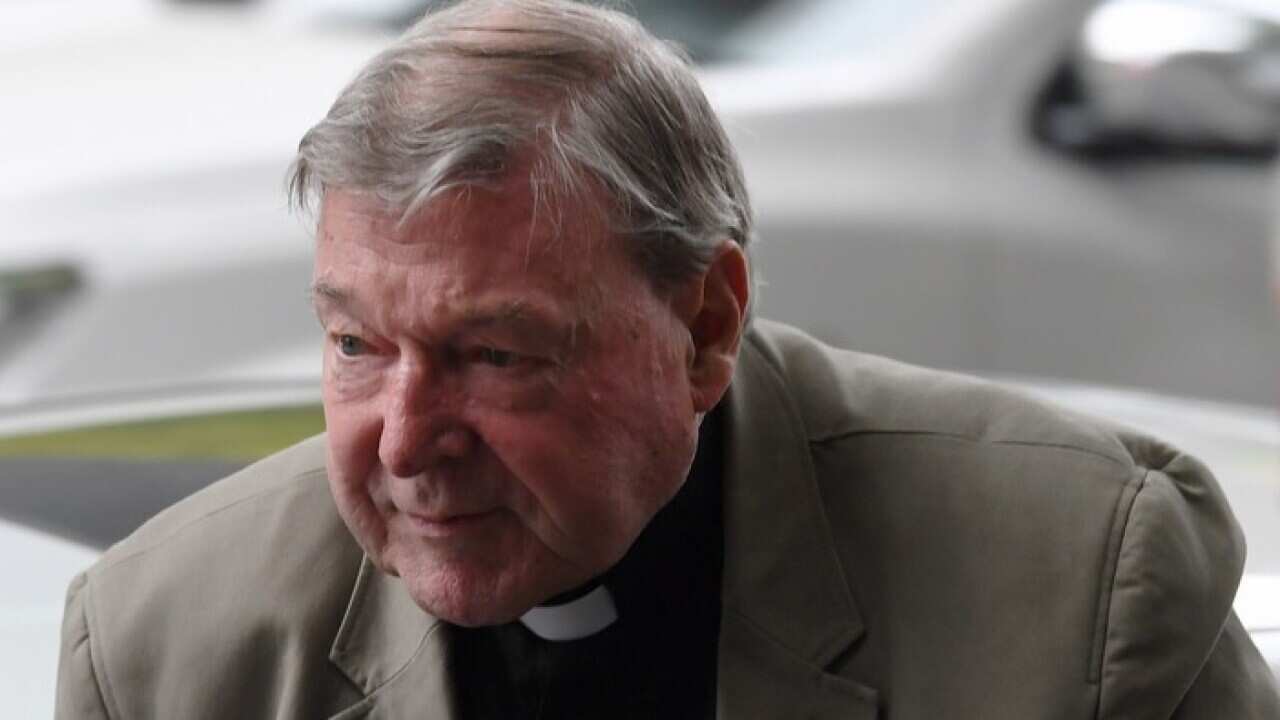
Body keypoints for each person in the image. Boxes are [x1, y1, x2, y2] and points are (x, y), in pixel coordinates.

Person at [56, 1, 1279, 717]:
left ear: (703, 326)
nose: (406, 441)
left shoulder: (1076, 590)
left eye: (491, 352)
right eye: (353, 345)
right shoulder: (168, 651)